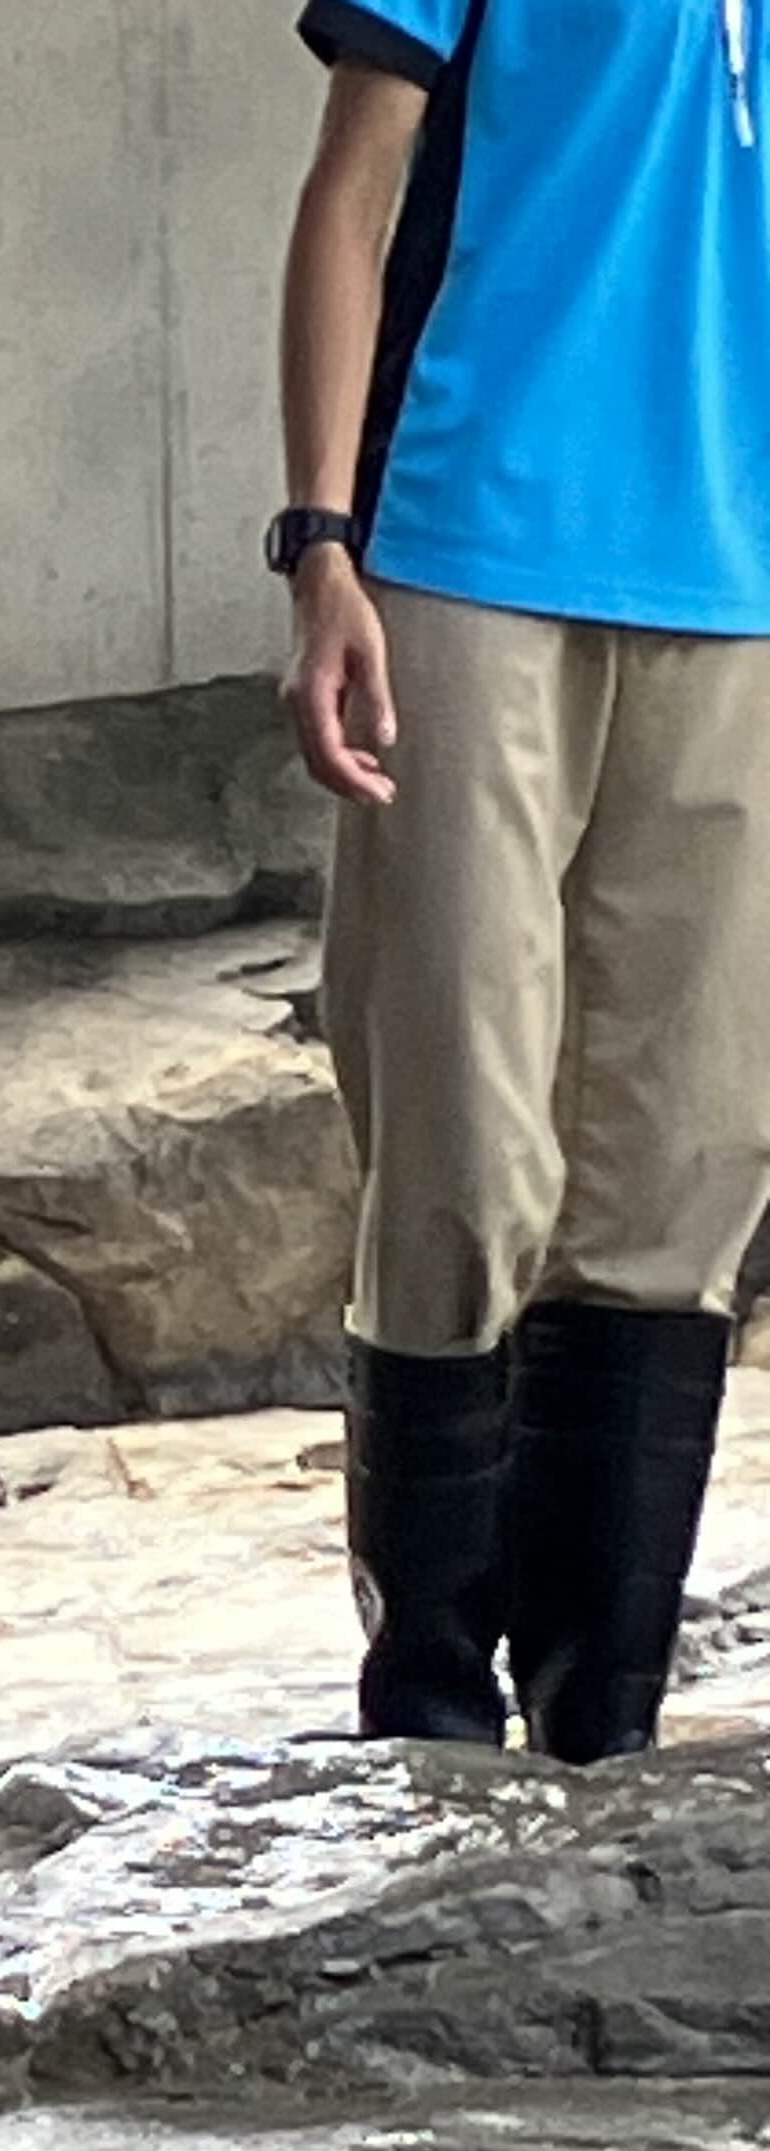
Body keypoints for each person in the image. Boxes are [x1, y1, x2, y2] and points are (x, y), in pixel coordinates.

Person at [274, 2, 770, 1757]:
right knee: (464, 1155)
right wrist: (321, 544)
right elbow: (354, 189)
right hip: (471, 548)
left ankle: (603, 1725)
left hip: (739, 587)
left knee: (685, 1170)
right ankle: (427, 1717)